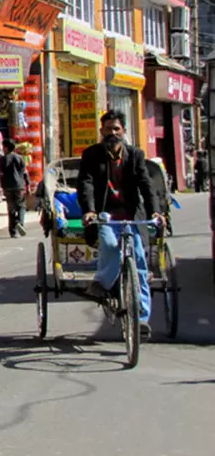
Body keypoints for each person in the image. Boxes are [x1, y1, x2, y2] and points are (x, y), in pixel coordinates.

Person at [77, 110, 162, 340]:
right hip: (105, 214)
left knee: (140, 262)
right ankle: (102, 283)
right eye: (108, 129)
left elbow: (146, 184)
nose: (112, 133)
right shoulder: (91, 155)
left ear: (123, 131)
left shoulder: (135, 155)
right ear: (101, 131)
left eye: (117, 129)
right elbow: (85, 184)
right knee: (109, 243)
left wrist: (155, 211)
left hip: (132, 215)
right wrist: (90, 211)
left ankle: (142, 318)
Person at [0, 139, 31, 238]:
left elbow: (1, 174)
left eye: (3, 147)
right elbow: (25, 172)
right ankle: (19, 222)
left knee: (11, 209)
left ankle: (13, 231)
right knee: (21, 206)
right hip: (19, 187)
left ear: (7, 148)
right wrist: (28, 185)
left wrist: (2, 187)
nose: (3, 149)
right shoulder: (19, 158)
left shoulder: (3, 159)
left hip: (8, 187)